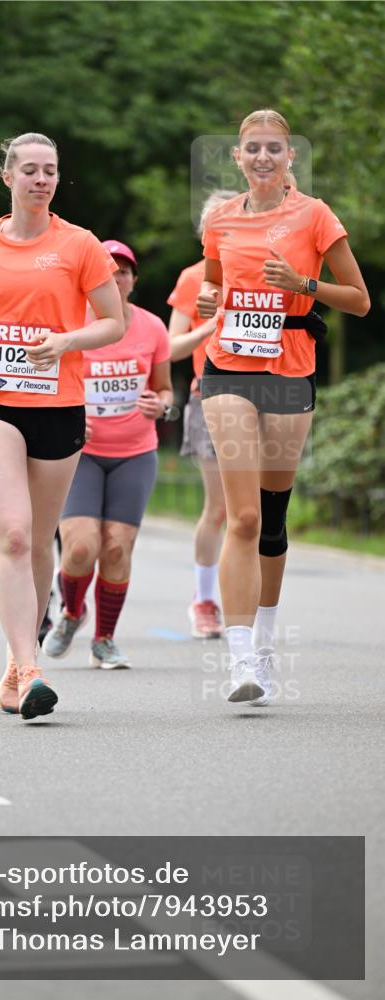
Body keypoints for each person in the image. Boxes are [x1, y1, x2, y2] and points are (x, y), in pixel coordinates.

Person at [0, 132, 123, 720]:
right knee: (16, 536)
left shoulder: (80, 244)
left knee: (40, 542)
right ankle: (31, 670)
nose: (41, 179)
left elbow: (113, 322)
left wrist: (66, 341)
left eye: (50, 170)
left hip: (57, 405)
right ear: (8, 177)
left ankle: (14, 665)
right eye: (29, 170)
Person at [197, 109, 370, 704]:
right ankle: (240, 658)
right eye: (253, 148)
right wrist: (209, 300)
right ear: (238, 157)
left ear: (290, 155)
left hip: (290, 372)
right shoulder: (220, 219)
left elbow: (360, 300)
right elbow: (214, 285)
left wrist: (303, 285)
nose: (263, 157)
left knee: (271, 518)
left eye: (275, 147)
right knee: (242, 517)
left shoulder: (315, 215)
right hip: (228, 369)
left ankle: (265, 645)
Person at [43, 239, 172, 668]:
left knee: (117, 549)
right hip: (80, 452)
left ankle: (104, 640)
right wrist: (66, 416)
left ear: (134, 281)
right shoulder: (73, 325)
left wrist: (161, 404)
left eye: (124, 272)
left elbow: (165, 389)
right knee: (81, 548)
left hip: (135, 453)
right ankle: (71, 613)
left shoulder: (153, 327)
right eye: (108, 272)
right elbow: (47, 382)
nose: (116, 279)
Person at [167, 191, 237, 639]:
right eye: (217, 225)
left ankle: (247, 601)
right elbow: (170, 347)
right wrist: (209, 327)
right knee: (221, 507)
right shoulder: (194, 278)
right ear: (204, 233)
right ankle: (204, 600)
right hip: (210, 398)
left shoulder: (264, 273)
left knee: (255, 511)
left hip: (263, 398)